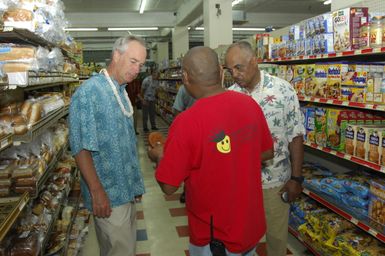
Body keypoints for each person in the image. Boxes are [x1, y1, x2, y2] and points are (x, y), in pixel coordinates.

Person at [148, 46, 274, 256]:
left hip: (215, 239)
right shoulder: (249, 105)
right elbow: (266, 152)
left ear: (185, 77)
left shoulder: (186, 122)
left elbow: (169, 186)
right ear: (221, 71)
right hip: (249, 228)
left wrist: (160, 156)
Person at [225, 41, 305, 256]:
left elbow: (295, 135)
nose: (234, 74)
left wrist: (296, 178)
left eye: (238, 67)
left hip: (276, 182)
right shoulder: (229, 96)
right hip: (240, 183)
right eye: (229, 69)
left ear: (254, 61)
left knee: (277, 240)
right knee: (240, 241)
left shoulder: (283, 90)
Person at [69, 36, 146, 256]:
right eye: (133, 61)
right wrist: (97, 191)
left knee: (121, 248)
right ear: (116, 55)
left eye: (141, 64)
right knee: (120, 250)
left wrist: (135, 184)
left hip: (125, 190)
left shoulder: (120, 91)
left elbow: (125, 144)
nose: (137, 69)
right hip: (109, 195)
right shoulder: (89, 93)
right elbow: (81, 147)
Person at [172, 84, 196, 203]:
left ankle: (187, 191)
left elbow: (177, 110)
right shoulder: (212, 84)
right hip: (210, 131)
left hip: (190, 129)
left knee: (190, 162)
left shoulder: (184, 88)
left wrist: (179, 130)